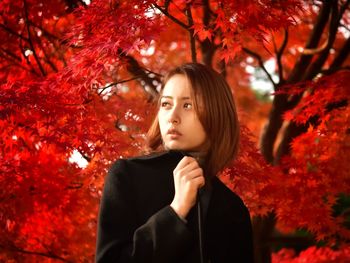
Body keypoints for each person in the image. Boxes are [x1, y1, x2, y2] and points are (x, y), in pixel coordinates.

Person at [95, 62, 254, 263]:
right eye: (166, 104)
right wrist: (176, 211)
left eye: (188, 105)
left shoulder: (232, 209)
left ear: (216, 114)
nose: (172, 117)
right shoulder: (128, 175)